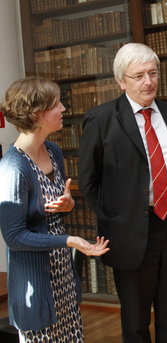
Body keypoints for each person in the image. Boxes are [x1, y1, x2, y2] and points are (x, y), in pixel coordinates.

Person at [78, 42, 167, 343]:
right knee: (135, 319)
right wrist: (115, 218)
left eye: (153, 73)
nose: (148, 81)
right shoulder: (101, 119)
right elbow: (88, 181)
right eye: (139, 75)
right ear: (121, 81)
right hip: (129, 231)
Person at [0, 76, 109, 342]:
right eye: (56, 104)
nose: (63, 109)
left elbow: (56, 211)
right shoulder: (13, 168)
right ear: (37, 114)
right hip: (35, 282)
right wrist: (69, 240)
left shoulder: (53, 151)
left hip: (61, 273)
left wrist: (68, 205)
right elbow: (14, 236)